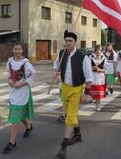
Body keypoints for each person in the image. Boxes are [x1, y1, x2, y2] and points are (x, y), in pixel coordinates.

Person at [53, 30, 93, 159]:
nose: (68, 43)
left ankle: (63, 148)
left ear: (75, 42)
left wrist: (86, 93)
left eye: (70, 41)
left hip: (76, 88)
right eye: (66, 41)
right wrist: (55, 73)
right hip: (65, 87)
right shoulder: (62, 53)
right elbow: (56, 66)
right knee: (69, 113)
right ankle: (78, 134)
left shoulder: (83, 57)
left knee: (69, 116)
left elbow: (89, 77)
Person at [3, 42, 35, 154]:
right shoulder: (10, 62)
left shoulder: (26, 63)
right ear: (13, 50)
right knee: (19, 115)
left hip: (22, 92)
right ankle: (29, 127)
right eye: (15, 49)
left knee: (15, 117)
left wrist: (20, 84)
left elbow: (31, 77)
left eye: (19, 49)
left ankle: (12, 142)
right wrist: (10, 81)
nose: (17, 51)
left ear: (22, 51)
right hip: (13, 92)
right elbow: (8, 74)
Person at [90, 45, 108, 111]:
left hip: (100, 78)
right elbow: (87, 67)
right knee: (93, 93)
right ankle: (94, 99)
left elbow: (106, 69)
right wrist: (92, 68)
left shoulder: (104, 59)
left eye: (99, 52)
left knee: (98, 94)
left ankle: (98, 105)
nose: (98, 54)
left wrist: (100, 70)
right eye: (97, 52)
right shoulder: (90, 58)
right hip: (92, 77)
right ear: (94, 52)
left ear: (101, 52)